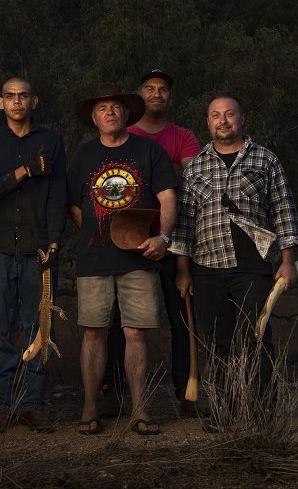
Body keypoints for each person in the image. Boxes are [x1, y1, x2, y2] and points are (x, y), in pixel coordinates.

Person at [172, 95, 298, 402]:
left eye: (230, 114)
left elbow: (284, 210)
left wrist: (288, 260)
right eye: (216, 115)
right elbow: (185, 224)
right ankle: (225, 410)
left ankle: (260, 410)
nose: (223, 121)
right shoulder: (196, 167)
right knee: (218, 341)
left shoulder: (265, 159)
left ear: (242, 120)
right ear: (208, 122)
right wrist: (183, 271)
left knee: (255, 335)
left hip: (253, 265)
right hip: (207, 267)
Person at [67, 84, 177, 436]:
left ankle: (140, 410)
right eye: (102, 109)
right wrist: (100, 233)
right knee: (93, 333)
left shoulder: (149, 151)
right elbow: (73, 204)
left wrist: (163, 237)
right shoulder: (82, 156)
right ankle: (89, 409)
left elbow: (167, 198)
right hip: (94, 260)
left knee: (136, 334)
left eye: (116, 107)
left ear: (128, 115)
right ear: (94, 118)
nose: (110, 112)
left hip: (139, 258)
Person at [103, 69, 202, 416]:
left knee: (182, 316)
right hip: (129, 240)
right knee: (120, 320)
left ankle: (185, 391)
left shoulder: (183, 136)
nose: (157, 93)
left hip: (174, 240)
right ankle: (114, 392)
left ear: (169, 98)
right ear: (139, 96)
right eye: (149, 88)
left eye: (163, 89)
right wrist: (165, 174)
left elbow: (192, 180)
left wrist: (152, 176)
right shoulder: (124, 133)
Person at [0, 77, 67, 434]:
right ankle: (2, 405)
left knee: (38, 325)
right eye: (10, 97)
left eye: (23, 96)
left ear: (34, 100)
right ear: (0, 103)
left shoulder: (51, 141)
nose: (16, 102)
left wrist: (56, 241)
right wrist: (24, 170)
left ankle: (32, 404)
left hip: (38, 246)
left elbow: (58, 193)